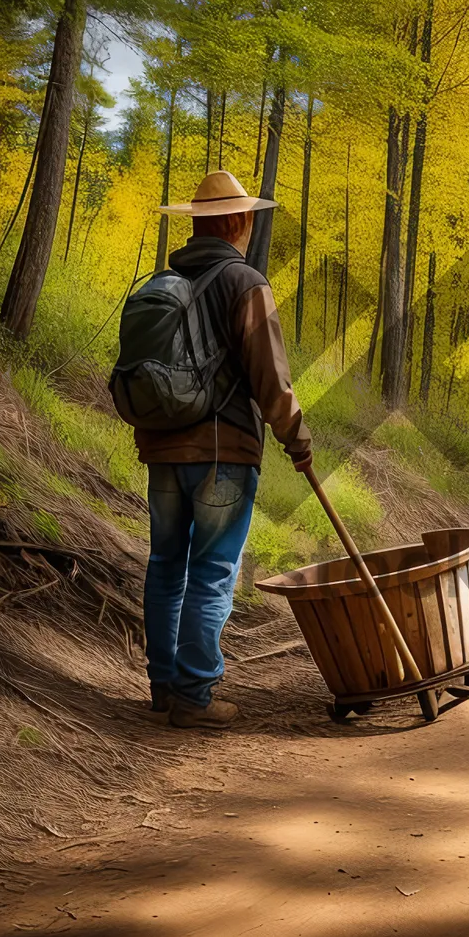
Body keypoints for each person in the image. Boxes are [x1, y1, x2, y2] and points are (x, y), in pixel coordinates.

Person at [136, 170, 312, 729]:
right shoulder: (245, 283)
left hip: (164, 450)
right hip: (224, 453)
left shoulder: (162, 284)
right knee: (212, 570)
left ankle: (165, 687)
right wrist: (297, 439)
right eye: (249, 217)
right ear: (237, 221)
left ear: (197, 224)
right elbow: (271, 379)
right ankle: (195, 694)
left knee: (166, 565)